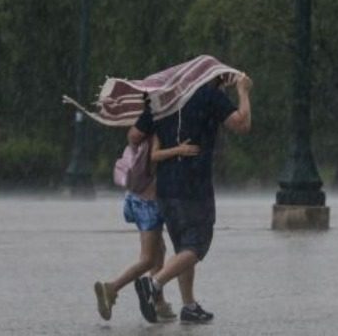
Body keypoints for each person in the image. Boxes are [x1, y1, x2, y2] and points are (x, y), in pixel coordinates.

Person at [133, 72, 252, 324]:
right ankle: (153, 284)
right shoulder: (209, 97)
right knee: (196, 246)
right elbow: (242, 124)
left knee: (182, 248)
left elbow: (134, 136)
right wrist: (242, 90)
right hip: (194, 187)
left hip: (165, 188)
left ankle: (189, 306)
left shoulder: (163, 100)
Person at [93, 122, 185, 322]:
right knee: (148, 259)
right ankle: (111, 288)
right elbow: (154, 156)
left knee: (159, 249)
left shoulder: (141, 129)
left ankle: (159, 302)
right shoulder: (159, 128)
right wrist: (180, 150)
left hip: (136, 197)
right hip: (149, 203)